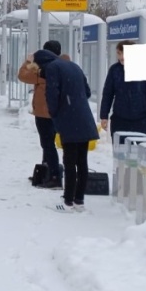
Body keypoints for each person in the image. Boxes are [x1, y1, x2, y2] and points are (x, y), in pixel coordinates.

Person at [36, 47, 99, 212]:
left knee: (69, 162)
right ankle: (79, 201)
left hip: (69, 120)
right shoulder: (73, 66)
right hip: (84, 117)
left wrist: (55, 113)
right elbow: (86, 92)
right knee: (82, 162)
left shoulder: (52, 68)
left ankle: (67, 202)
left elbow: (52, 94)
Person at [17, 40, 70, 189]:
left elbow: (22, 75)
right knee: (53, 143)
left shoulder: (43, 69)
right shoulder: (64, 66)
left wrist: (28, 61)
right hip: (61, 111)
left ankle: (54, 176)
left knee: (47, 144)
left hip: (44, 112)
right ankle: (49, 171)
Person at [99, 41, 146, 139]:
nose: (121, 57)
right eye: (119, 53)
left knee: (145, 153)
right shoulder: (114, 70)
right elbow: (108, 94)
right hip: (120, 120)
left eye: (124, 53)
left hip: (143, 121)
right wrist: (104, 116)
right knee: (120, 153)